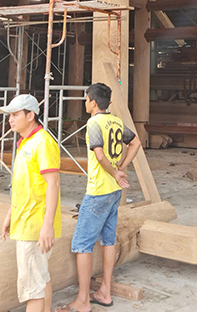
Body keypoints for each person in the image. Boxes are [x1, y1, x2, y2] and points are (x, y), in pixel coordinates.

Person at [57, 83, 141, 312]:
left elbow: (100, 155)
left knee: (82, 245)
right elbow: (135, 143)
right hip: (114, 191)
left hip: (98, 192)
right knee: (108, 240)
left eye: (86, 99)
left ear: (93, 102)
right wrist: (121, 166)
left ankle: (83, 300)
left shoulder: (94, 123)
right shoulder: (115, 121)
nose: (86, 103)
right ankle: (105, 291)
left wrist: (115, 171)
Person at [0, 94, 61, 312]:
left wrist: (47, 225)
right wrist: (10, 215)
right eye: (9, 115)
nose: (10, 119)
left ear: (30, 115)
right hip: (25, 221)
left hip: (34, 226)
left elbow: (53, 183)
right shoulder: (25, 142)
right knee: (40, 277)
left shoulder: (42, 142)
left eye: (15, 114)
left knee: (32, 288)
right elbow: (23, 186)